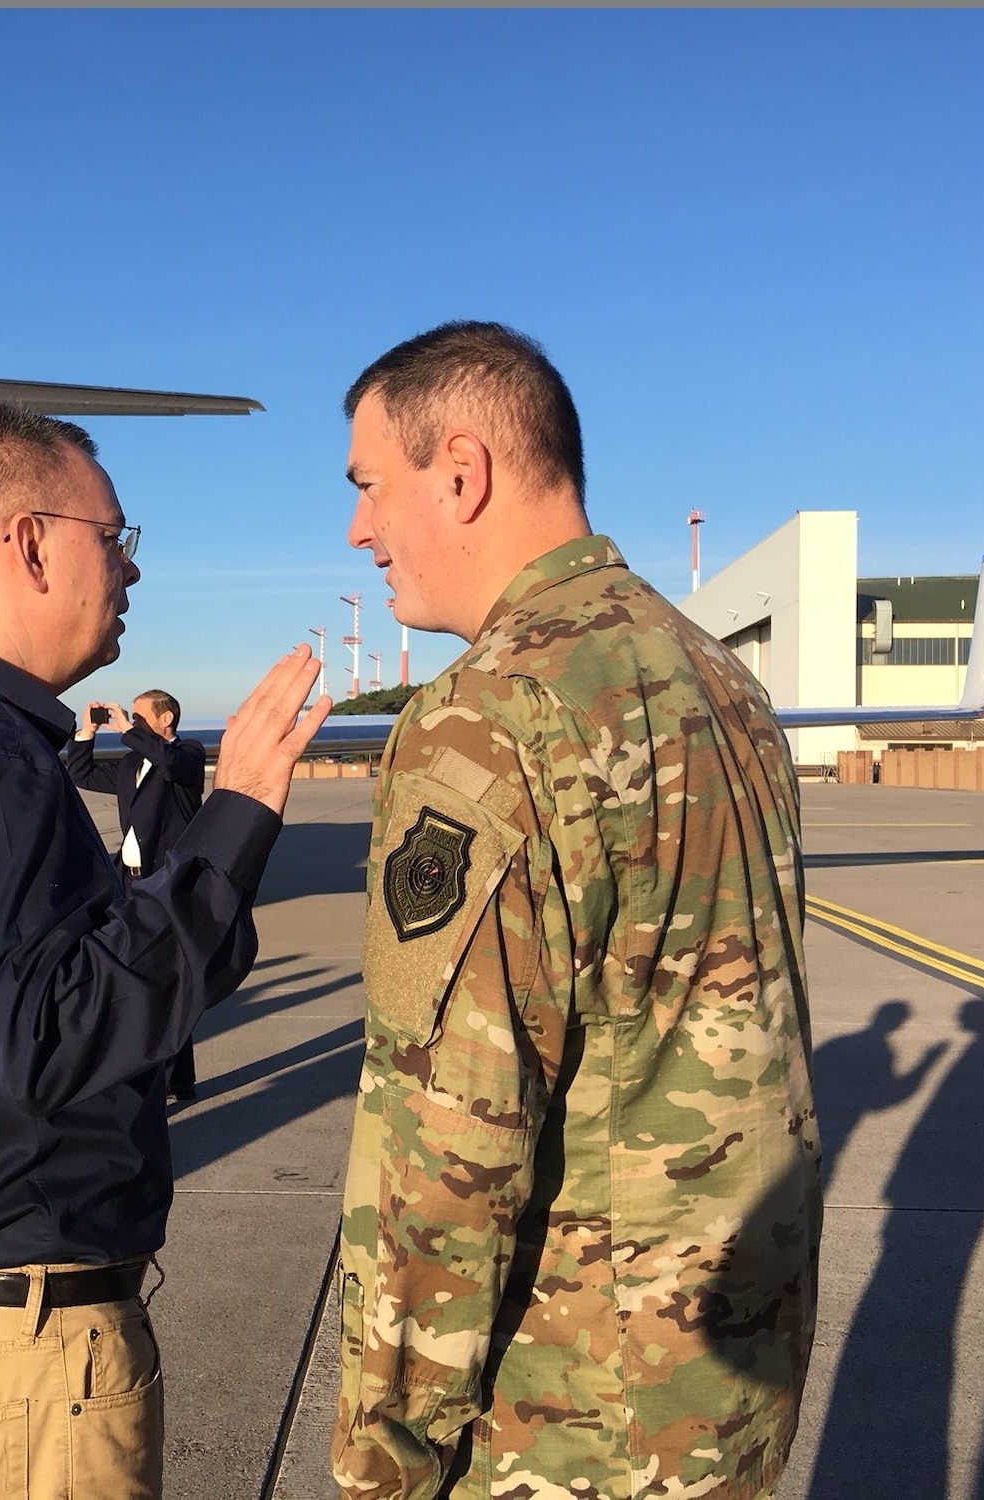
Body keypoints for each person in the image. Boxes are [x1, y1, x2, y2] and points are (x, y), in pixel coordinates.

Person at [0, 399, 330, 1500]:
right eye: (113, 538)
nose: (129, 571)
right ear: (29, 541)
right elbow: (53, 1033)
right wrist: (235, 814)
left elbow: (15, 1004)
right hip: (10, 1373)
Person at [331, 323, 821, 1500]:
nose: (358, 530)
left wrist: (384, 1454)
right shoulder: (718, 677)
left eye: (366, 487)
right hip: (725, 1377)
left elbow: (445, 1140)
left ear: (461, 471)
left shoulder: (488, 714)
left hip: (570, 1413)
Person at [64, 691, 209, 1101]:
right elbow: (81, 773)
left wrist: (127, 729)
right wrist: (87, 731)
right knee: (154, 978)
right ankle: (178, 1080)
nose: (132, 724)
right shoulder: (130, 764)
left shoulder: (187, 757)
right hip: (130, 883)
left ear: (166, 720)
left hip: (167, 884)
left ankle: (165, 1081)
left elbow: (167, 761)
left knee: (164, 979)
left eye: (142, 718)